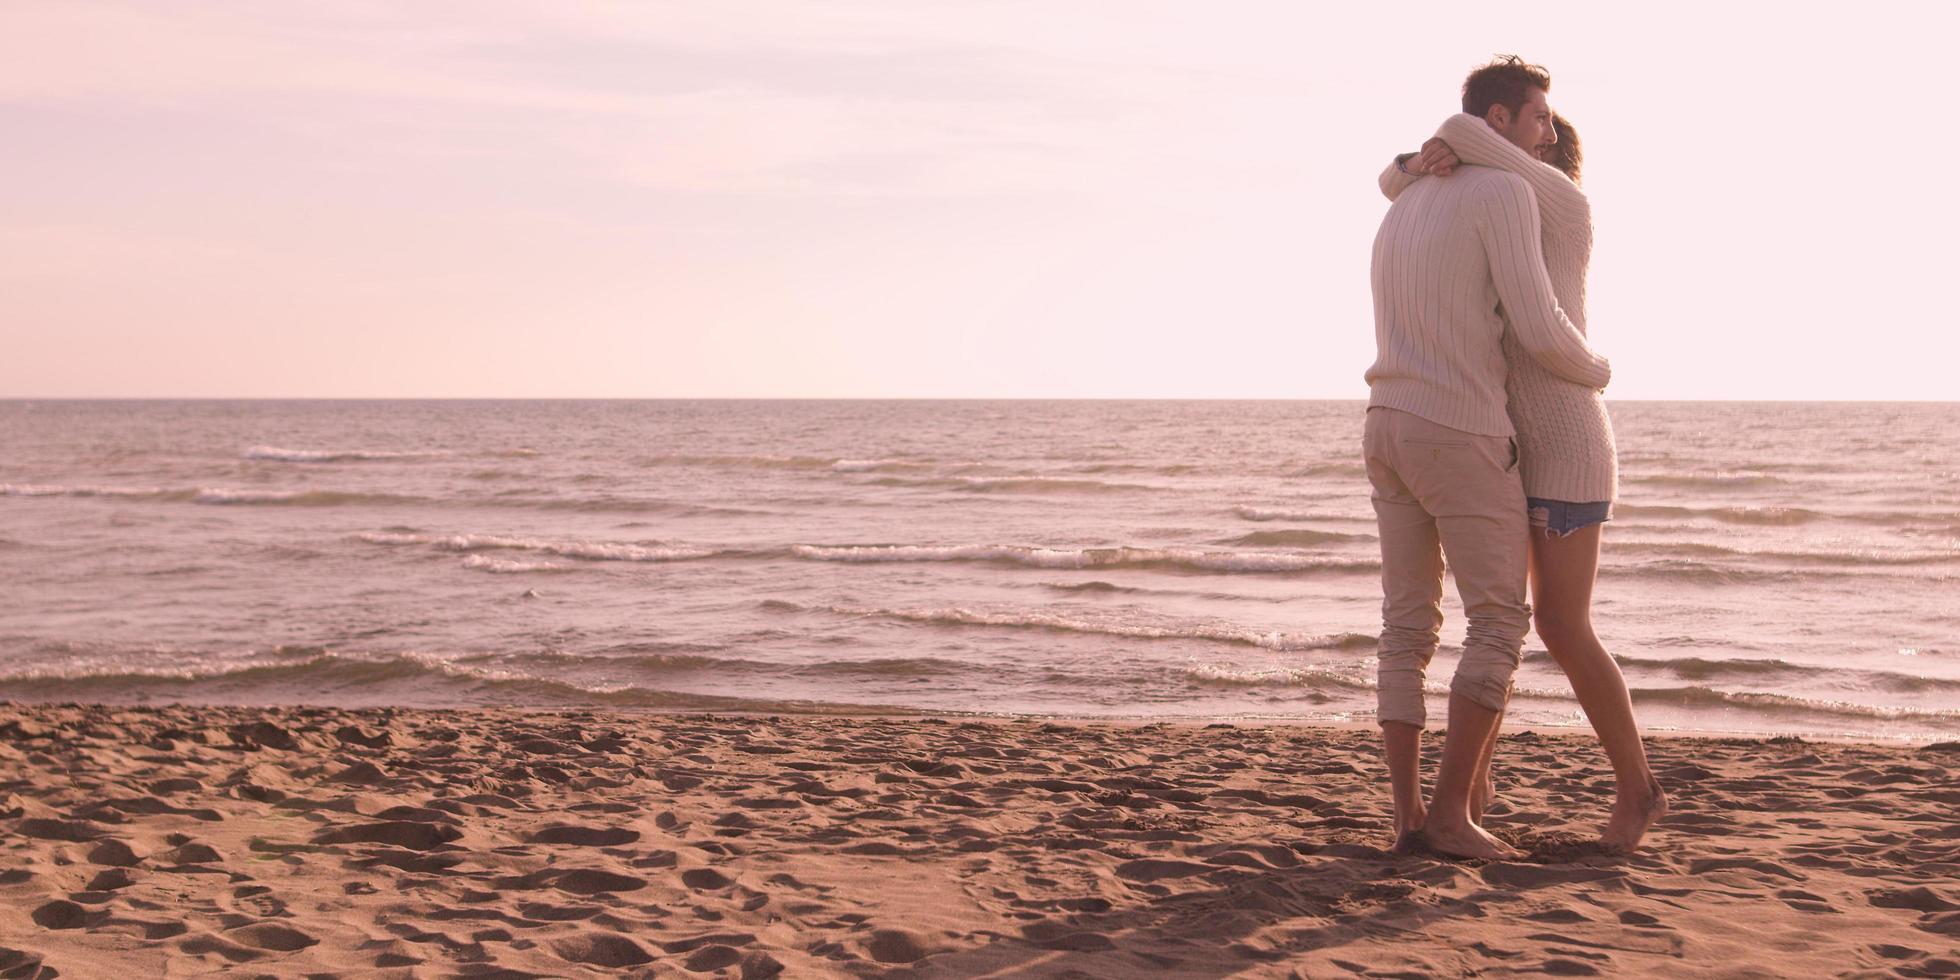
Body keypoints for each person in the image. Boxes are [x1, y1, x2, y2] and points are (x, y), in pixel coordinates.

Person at [1380, 88, 1668, 852]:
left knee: (1561, 625)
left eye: (1542, 137)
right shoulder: (1492, 206)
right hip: (1506, 438)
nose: (1530, 147)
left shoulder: (1563, 205)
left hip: (1567, 441)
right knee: (1498, 607)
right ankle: (1472, 788)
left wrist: (1435, 148)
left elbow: (1460, 138)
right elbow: (1413, 173)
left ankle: (1638, 790)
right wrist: (1412, 165)